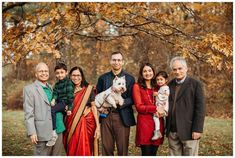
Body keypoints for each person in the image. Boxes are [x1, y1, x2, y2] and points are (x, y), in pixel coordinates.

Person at [96, 51, 136, 156]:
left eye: (119, 60)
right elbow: (98, 96)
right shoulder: (102, 78)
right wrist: (100, 107)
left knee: (122, 148)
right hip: (106, 116)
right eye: (114, 60)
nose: (116, 62)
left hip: (122, 116)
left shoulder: (130, 78)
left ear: (122, 62)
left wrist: (121, 102)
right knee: (106, 147)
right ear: (110, 61)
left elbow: (133, 98)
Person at [23, 62, 65, 156]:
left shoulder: (51, 88)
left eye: (46, 71)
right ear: (36, 74)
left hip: (59, 128)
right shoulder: (29, 89)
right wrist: (32, 132)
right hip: (42, 131)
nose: (44, 73)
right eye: (41, 71)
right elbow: (28, 113)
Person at [166, 56, 205, 156]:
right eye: (174, 69)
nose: (177, 72)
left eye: (180, 68)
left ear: (186, 68)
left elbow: (200, 109)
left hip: (189, 130)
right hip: (172, 130)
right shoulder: (169, 85)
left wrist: (197, 129)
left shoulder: (195, 84)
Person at [63, 66, 100, 156]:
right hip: (70, 123)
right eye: (73, 75)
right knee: (72, 147)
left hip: (87, 123)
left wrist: (98, 126)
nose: (76, 78)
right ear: (70, 76)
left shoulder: (89, 89)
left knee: (86, 148)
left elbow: (93, 107)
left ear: (82, 76)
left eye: (78, 75)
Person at [132, 63, 165, 156]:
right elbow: (139, 107)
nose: (147, 73)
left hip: (158, 123)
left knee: (154, 153)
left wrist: (164, 111)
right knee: (146, 153)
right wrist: (155, 108)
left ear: (153, 72)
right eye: (145, 71)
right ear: (141, 73)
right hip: (145, 124)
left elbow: (165, 101)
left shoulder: (158, 86)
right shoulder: (137, 86)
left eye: (150, 70)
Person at [47, 63, 74, 147]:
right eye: (57, 73)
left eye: (62, 72)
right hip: (59, 102)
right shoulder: (57, 84)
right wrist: (53, 99)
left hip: (64, 103)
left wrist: (69, 108)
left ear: (66, 72)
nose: (59, 75)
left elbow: (70, 97)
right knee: (52, 110)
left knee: (52, 110)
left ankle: (54, 132)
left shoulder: (69, 83)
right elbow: (55, 93)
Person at [152, 71, 169, 140]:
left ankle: (158, 132)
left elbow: (166, 96)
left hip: (163, 107)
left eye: (161, 79)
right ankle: (161, 130)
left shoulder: (165, 88)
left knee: (155, 117)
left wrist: (157, 94)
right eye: (157, 80)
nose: (159, 81)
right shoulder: (161, 87)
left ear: (166, 80)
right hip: (160, 106)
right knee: (157, 118)